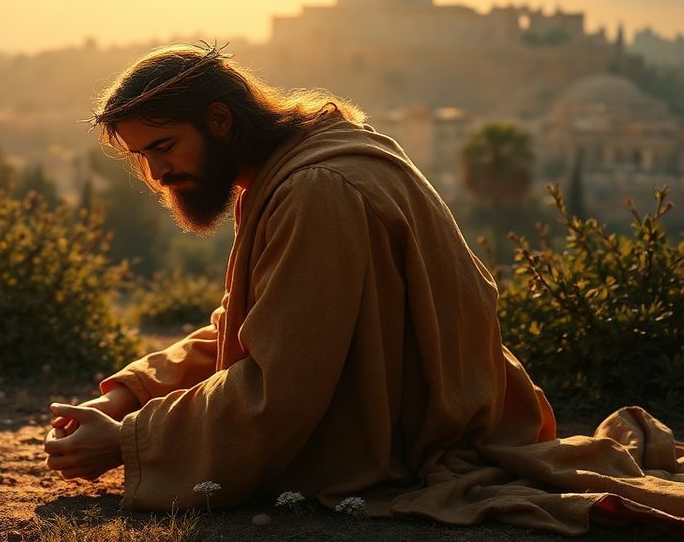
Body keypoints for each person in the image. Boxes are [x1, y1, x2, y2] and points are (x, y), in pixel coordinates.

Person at [42, 43, 684, 535]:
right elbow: (254, 322)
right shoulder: (297, 167)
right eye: (141, 159)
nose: (157, 174)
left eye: (164, 147)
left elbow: (279, 384)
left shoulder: (316, 190)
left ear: (220, 120)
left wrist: (131, 443)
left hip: (404, 439)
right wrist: (130, 393)